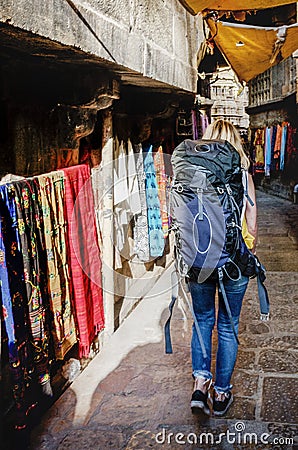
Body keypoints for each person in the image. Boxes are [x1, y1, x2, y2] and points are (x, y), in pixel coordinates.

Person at [189, 119, 257, 416]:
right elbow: (251, 223)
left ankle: (200, 385)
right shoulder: (242, 173)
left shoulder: (191, 170)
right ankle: (221, 394)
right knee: (228, 327)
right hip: (235, 262)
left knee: (203, 320)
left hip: (198, 260)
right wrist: (247, 250)